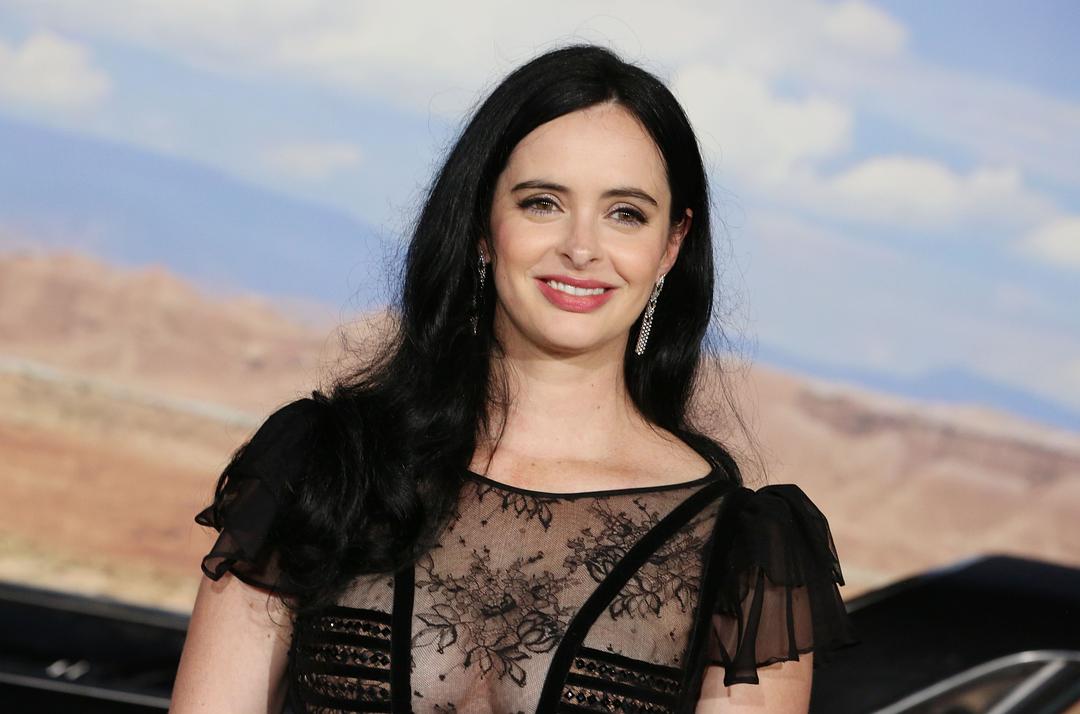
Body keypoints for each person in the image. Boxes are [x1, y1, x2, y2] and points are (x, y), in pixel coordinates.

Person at [171, 44, 859, 713]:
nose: (581, 248)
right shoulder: (322, 465)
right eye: (542, 203)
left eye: (625, 214)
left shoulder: (741, 554)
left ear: (670, 246)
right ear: (481, 222)